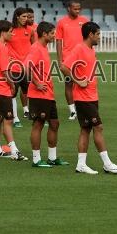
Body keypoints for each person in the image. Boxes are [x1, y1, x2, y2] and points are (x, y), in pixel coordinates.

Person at [61, 22, 117, 174]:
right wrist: (77, 80)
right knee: (98, 127)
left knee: (85, 129)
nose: (99, 37)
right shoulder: (79, 48)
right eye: (98, 34)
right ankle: (107, 164)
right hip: (83, 98)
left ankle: (81, 164)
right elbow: (64, 67)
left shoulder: (90, 49)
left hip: (91, 96)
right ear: (90, 34)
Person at [24, 22, 69, 168]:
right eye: (52, 33)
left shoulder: (43, 48)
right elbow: (26, 67)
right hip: (39, 94)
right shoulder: (36, 48)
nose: (54, 35)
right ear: (44, 34)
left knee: (55, 123)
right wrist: (37, 83)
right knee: (38, 124)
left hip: (48, 94)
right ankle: (36, 160)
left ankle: (52, 157)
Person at [0, 20, 28, 161]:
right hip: (2, 89)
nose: (12, 34)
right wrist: (12, 85)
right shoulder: (2, 48)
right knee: (8, 121)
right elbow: (5, 71)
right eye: (10, 31)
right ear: (3, 32)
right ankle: (14, 151)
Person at [55, 0, 89, 120]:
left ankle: (82, 108)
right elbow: (58, 42)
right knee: (69, 84)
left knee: (84, 84)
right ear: (69, 8)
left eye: (79, 8)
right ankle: (72, 110)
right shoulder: (61, 23)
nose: (77, 11)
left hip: (83, 59)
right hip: (68, 59)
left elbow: (89, 39)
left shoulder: (84, 21)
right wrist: (60, 61)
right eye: (75, 8)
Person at [7, 7, 34, 128]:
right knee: (13, 93)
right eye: (23, 16)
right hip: (14, 68)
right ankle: (15, 118)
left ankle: (35, 115)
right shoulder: (10, 30)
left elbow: (35, 47)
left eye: (27, 17)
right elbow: (1, 44)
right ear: (17, 17)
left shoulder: (30, 30)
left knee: (31, 92)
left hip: (27, 68)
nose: (26, 19)